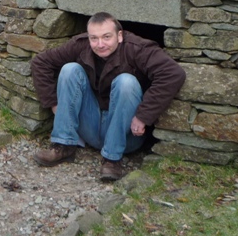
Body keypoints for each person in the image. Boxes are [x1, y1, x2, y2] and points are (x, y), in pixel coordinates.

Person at [31, 12, 186, 181]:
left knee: (126, 82)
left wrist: (143, 116)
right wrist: (53, 103)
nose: (100, 44)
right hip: (91, 126)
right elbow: (41, 62)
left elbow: (173, 73)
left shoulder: (137, 48)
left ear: (119, 36)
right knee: (70, 70)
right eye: (94, 38)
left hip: (126, 134)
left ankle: (112, 159)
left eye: (106, 37)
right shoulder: (81, 45)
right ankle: (63, 144)